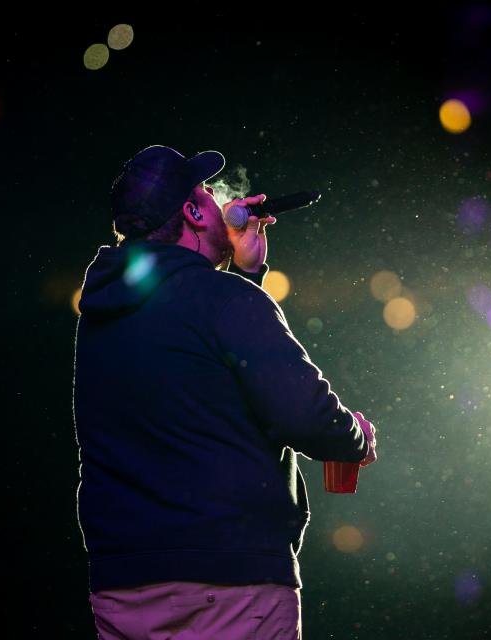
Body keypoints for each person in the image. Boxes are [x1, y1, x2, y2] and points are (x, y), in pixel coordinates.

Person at [72, 144, 378, 639]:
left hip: (126, 586)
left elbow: (193, 368)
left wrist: (246, 275)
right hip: (230, 582)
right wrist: (356, 441)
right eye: (208, 192)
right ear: (193, 212)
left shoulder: (104, 314)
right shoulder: (227, 302)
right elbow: (304, 415)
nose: (221, 199)